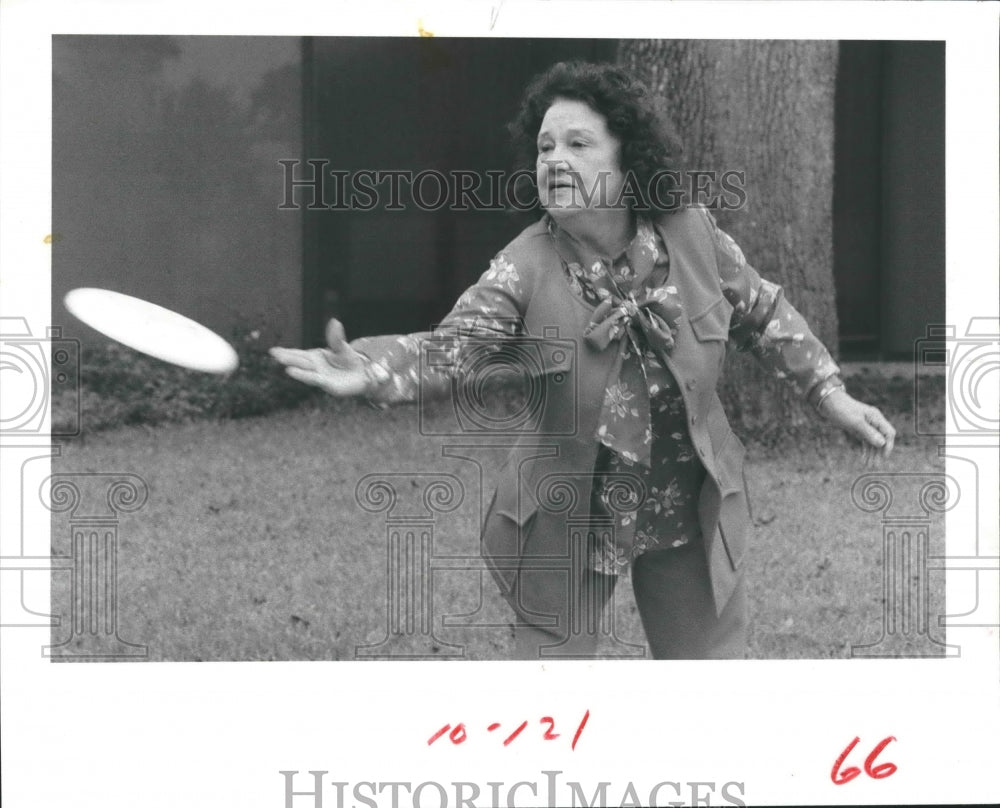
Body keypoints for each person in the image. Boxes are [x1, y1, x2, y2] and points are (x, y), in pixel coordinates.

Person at [270, 61, 896, 660]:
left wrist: (831, 394)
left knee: (705, 680)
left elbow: (762, 312)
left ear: (628, 158)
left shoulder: (693, 232)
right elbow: (456, 345)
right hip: (565, 516)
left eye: (578, 143)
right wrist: (373, 368)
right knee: (553, 683)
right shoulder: (524, 264)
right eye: (544, 148)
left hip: (683, 503)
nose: (554, 160)